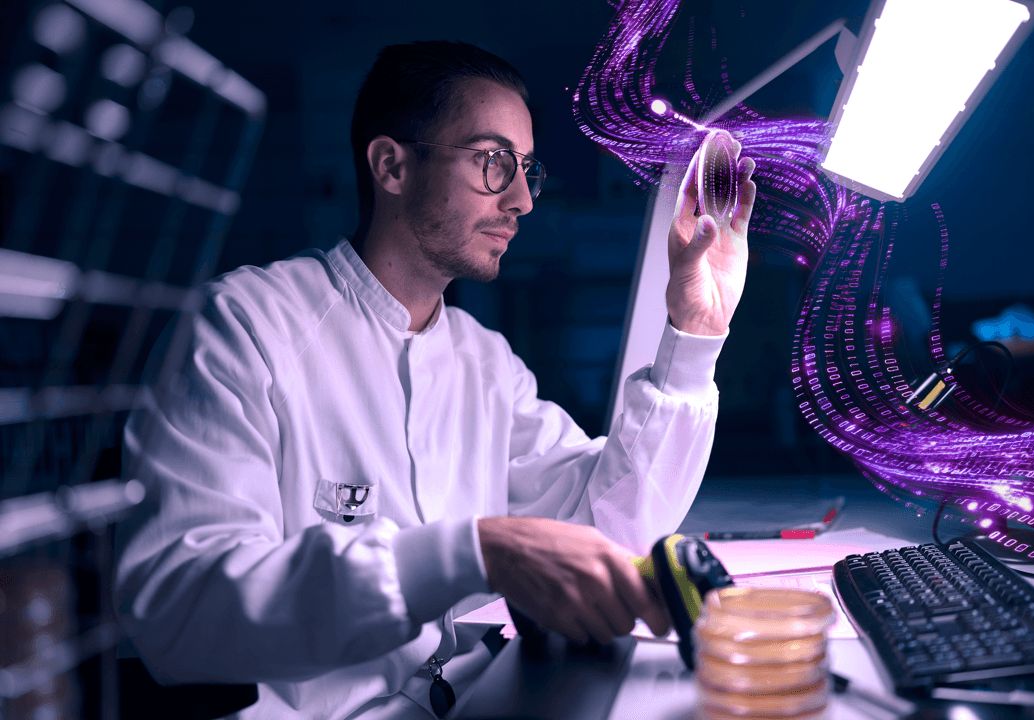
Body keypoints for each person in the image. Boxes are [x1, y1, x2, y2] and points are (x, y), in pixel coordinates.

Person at [114, 40, 756, 719]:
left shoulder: (484, 361)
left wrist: (695, 330)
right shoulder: (244, 326)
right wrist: (468, 552)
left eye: (526, 170)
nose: (521, 201)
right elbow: (181, 612)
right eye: (492, 162)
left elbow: (614, 528)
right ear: (391, 166)